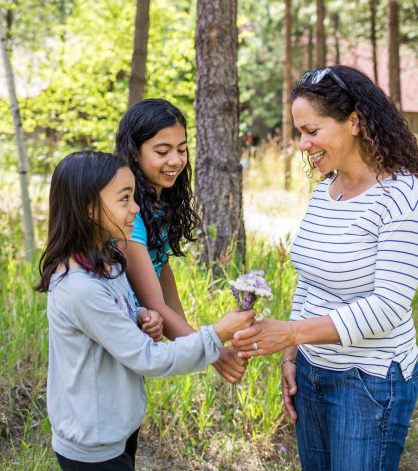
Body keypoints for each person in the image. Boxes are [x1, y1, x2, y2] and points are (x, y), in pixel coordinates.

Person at [231, 66, 418, 471]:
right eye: (299, 133)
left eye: (312, 131)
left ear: (355, 122)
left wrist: (289, 332)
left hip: (370, 381)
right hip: (311, 371)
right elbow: (309, 281)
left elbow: (388, 306)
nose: (303, 144)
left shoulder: (404, 195)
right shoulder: (327, 191)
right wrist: (292, 356)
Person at [34, 150, 255, 471]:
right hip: (92, 446)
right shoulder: (79, 287)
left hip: (115, 428)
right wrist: (217, 334)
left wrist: (139, 317)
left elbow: (113, 317)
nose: (136, 208)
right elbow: (147, 359)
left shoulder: (108, 260)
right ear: (88, 209)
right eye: (124, 199)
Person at [115, 98, 249, 383]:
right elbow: (155, 304)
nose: (175, 160)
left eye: (182, 148)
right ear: (134, 153)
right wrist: (211, 350)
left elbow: (160, 268)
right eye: (162, 151)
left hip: (137, 329)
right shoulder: (130, 217)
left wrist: (192, 338)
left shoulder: (158, 201)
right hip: (114, 332)